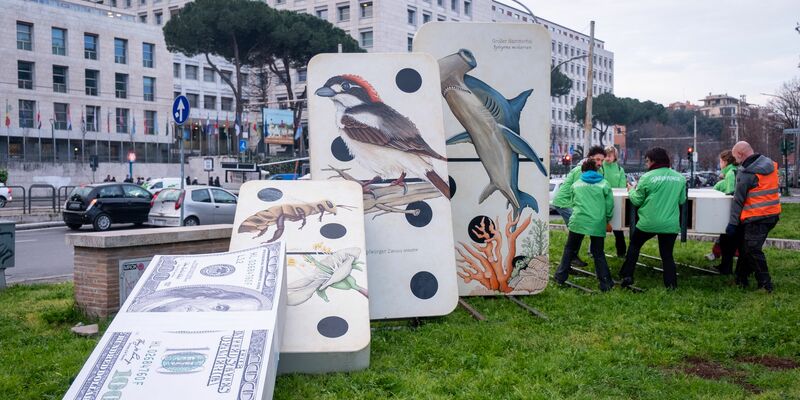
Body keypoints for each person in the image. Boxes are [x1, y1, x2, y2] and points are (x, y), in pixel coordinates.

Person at [619, 147, 686, 289]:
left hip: (648, 222)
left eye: (647, 161)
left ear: (653, 161)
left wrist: (631, 190)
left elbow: (636, 200)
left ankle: (627, 276)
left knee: (635, 246)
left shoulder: (647, 177)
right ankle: (671, 285)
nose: (646, 164)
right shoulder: (680, 178)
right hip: (670, 224)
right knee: (667, 255)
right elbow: (681, 200)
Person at [727, 141, 781, 292]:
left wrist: (732, 223)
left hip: (756, 216)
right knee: (746, 248)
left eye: (735, 158)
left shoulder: (746, 173)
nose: (736, 161)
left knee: (752, 250)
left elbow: (738, 201)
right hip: (772, 214)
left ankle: (765, 284)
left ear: (740, 154)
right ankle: (741, 279)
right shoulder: (770, 165)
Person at [554, 159, 615, 291]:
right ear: (597, 170)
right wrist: (607, 219)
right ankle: (606, 283)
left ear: (582, 171)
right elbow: (609, 205)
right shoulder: (604, 184)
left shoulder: (576, 185)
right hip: (597, 222)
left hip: (578, 221)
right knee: (598, 253)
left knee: (569, 249)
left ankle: (560, 276)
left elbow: (573, 202)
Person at [551, 145, 607, 267]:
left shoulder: (598, 170)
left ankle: (571, 259)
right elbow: (579, 192)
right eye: (597, 159)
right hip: (564, 202)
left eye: (602, 160)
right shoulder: (580, 170)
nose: (600, 163)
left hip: (571, 202)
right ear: (590, 158)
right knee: (578, 229)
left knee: (578, 230)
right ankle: (571, 259)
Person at [708, 150, 737, 273]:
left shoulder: (730, 174)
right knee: (726, 241)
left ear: (725, 162)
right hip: (736, 214)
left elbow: (731, 194)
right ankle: (725, 267)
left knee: (727, 242)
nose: (720, 164)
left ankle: (726, 268)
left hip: (731, 215)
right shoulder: (734, 171)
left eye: (720, 161)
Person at [601, 146, 628, 258]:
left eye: (610, 156)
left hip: (616, 201)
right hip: (602, 200)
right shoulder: (601, 167)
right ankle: (594, 251)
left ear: (615, 156)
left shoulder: (620, 169)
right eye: (606, 156)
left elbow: (622, 186)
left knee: (618, 230)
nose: (607, 158)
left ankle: (621, 252)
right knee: (599, 229)